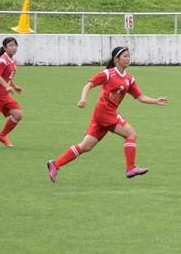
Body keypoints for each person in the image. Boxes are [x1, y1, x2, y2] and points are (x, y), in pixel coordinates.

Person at [46, 46, 168, 183]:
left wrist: (156, 101)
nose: (128, 58)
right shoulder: (108, 74)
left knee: (86, 146)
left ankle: (55, 164)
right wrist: (83, 99)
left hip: (104, 114)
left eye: (129, 56)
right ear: (116, 59)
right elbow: (89, 84)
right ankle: (130, 168)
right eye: (125, 56)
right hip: (104, 112)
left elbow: (141, 97)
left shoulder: (129, 79)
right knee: (131, 134)